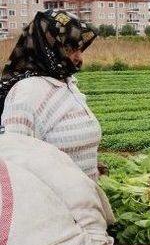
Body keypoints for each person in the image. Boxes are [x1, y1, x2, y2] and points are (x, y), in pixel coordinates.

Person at [0, 10, 100, 181]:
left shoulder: (68, 84)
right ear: (46, 46)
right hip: (53, 204)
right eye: (69, 48)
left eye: (80, 48)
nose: (79, 57)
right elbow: (13, 164)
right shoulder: (26, 93)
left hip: (84, 202)